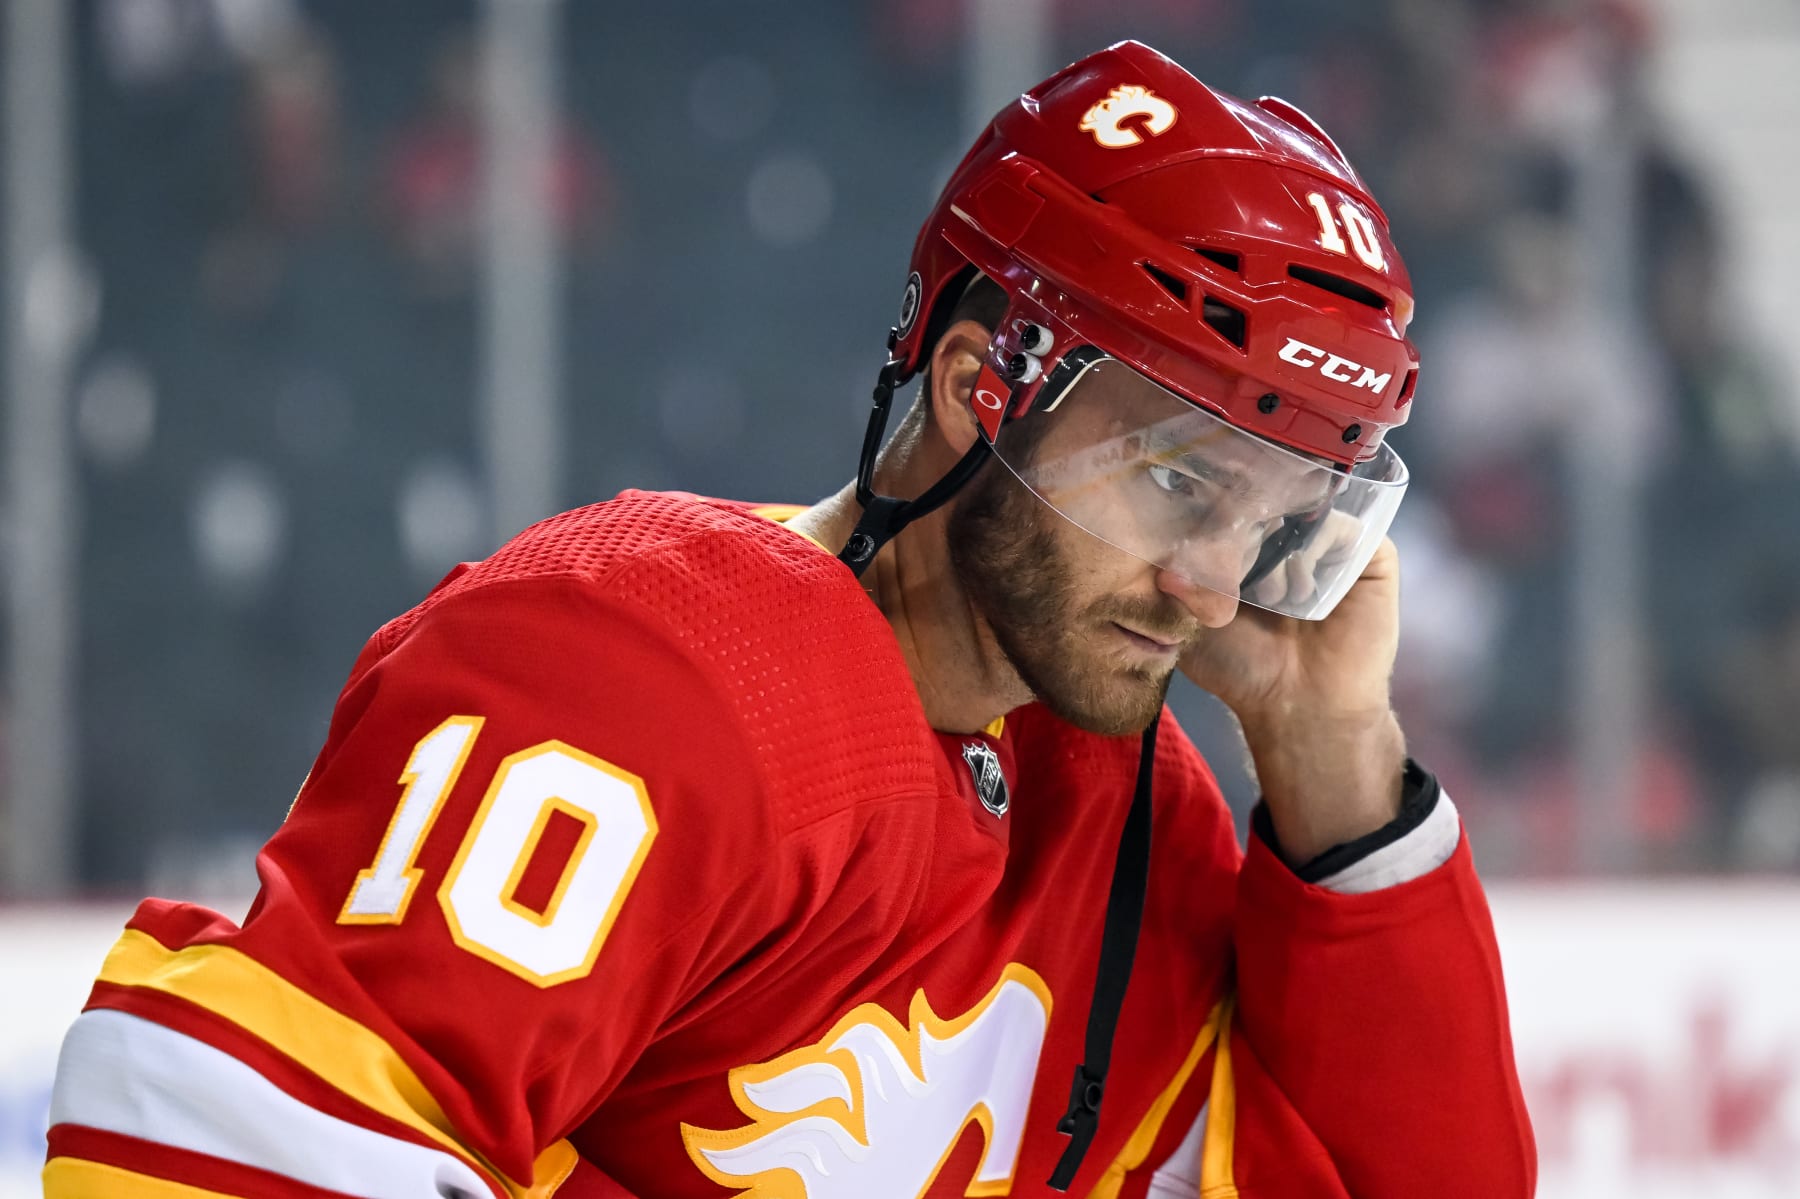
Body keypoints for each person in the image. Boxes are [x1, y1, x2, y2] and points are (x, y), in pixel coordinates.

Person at [44, 41, 1535, 1198]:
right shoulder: (640, 668)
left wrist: (1333, 756)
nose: (1213, 583)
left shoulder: (1125, 802)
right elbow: (220, 1151)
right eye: (1178, 483)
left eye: (1266, 519)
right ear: (980, 390)